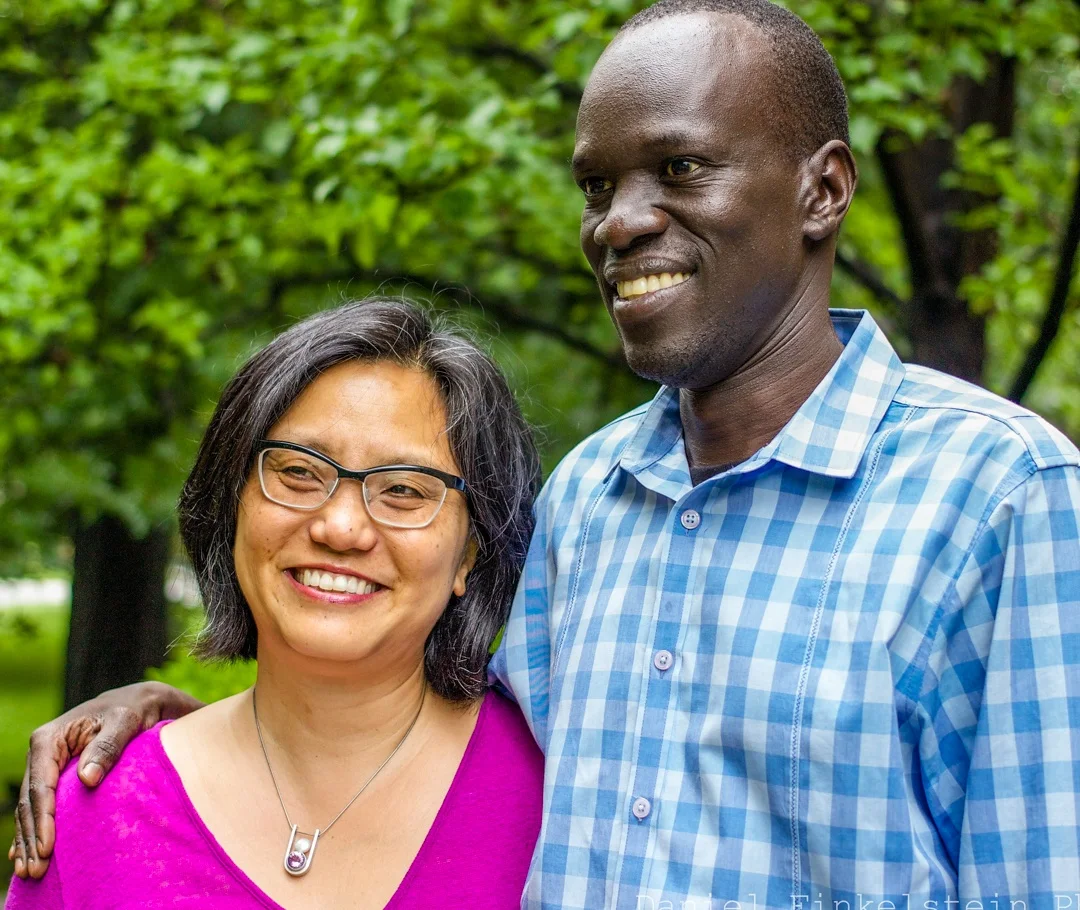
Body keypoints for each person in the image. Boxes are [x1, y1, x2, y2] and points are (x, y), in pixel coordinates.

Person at [13, 0, 1080, 908]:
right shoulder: (589, 501)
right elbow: (405, 696)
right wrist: (180, 740)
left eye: (679, 168)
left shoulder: (1000, 497)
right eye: (598, 187)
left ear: (824, 190)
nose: (619, 224)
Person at [5, 298, 543, 908]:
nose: (340, 528)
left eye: (402, 490)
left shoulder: (559, 794)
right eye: (298, 472)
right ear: (232, 501)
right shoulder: (93, 815)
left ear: (469, 553)